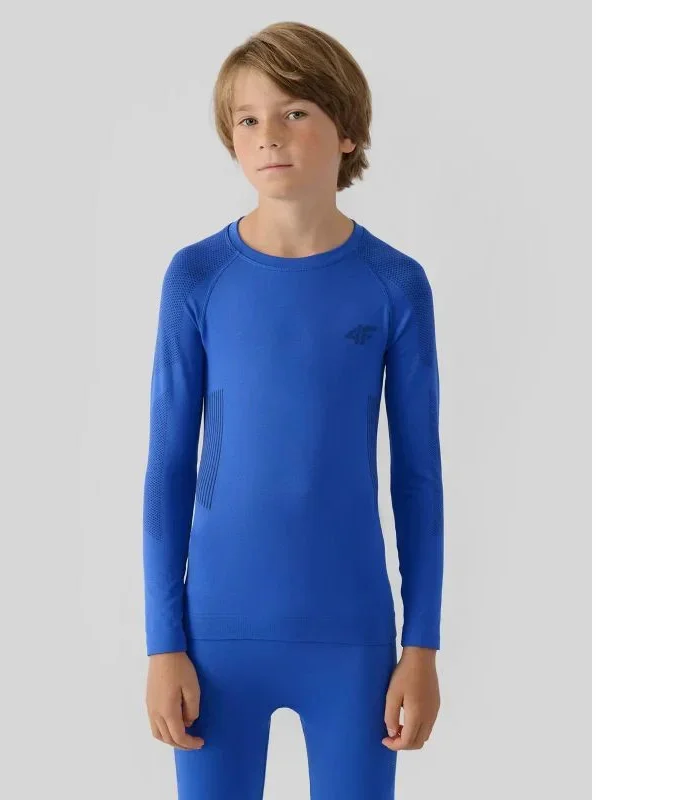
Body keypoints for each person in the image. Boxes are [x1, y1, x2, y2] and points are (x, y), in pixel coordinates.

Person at [142, 20, 444, 800]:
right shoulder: (197, 276)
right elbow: (169, 470)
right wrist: (162, 643)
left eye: (295, 112)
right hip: (214, 640)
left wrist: (422, 645)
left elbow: (418, 478)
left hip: (351, 640)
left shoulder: (393, 283)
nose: (268, 135)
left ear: (347, 132)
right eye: (247, 119)